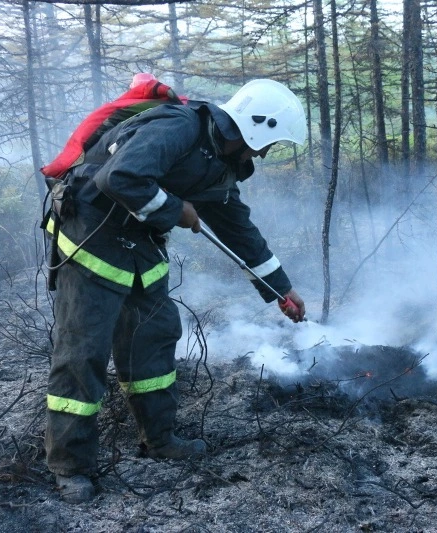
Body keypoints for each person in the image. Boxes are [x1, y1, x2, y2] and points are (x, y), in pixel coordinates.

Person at [43, 78, 307, 504]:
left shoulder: (220, 162)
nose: (264, 153)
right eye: (269, 142)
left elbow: (239, 230)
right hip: (90, 237)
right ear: (257, 127)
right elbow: (121, 177)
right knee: (84, 353)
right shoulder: (179, 128)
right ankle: (70, 467)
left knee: (154, 339)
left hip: (140, 244)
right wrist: (176, 210)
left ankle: (160, 439)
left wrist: (282, 288)